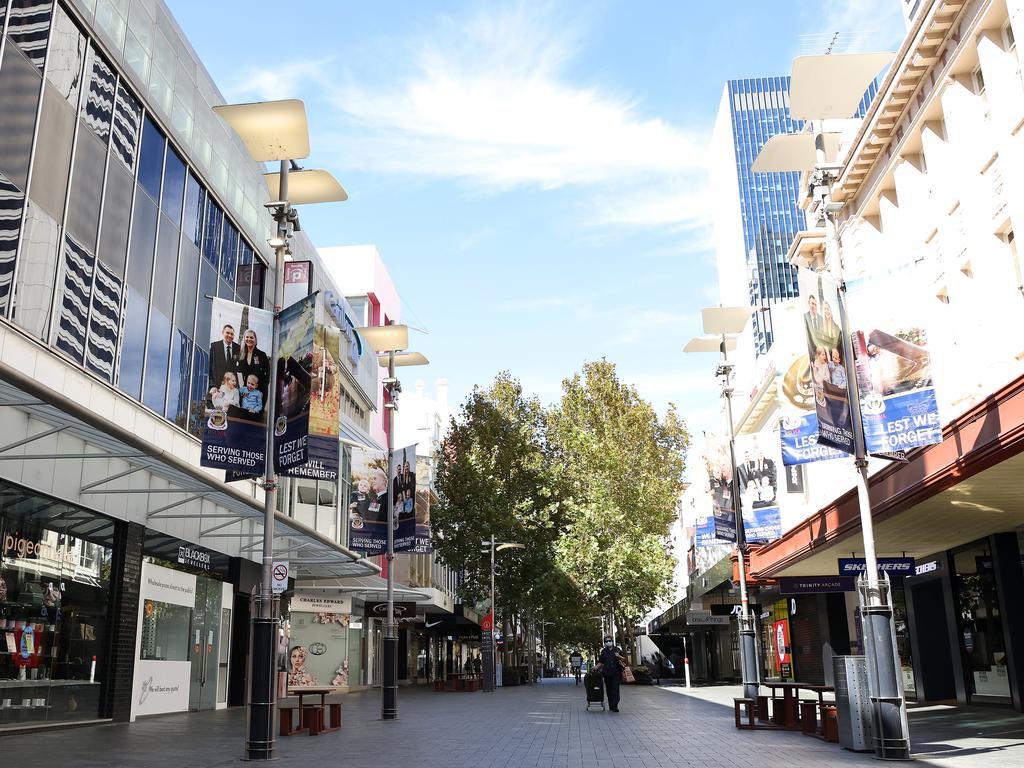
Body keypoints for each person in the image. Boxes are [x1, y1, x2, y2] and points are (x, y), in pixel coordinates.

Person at [234, 329, 270, 417]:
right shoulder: (241, 355)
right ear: (244, 339)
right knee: (244, 415)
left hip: (260, 391)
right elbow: (236, 370)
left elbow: (267, 374)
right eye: (247, 337)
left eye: (251, 337)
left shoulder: (262, 355)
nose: (249, 339)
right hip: (247, 390)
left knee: (257, 416)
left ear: (255, 340)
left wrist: (261, 390)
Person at [597, 636, 627, 712]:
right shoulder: (603, 651)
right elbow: (601, 662)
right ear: (604, 643)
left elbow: (625, 660)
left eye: (609, 641)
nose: (608, 642)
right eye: (606, 641)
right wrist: (595, 667)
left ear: (612, 641)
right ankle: (611, 705)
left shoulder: (618, 650)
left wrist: (619, 656)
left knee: (615, 689)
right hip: (606, 673)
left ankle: (615, 705)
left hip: (616, 673)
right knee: (609, 690)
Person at [209, 324, 240, 395]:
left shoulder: (238, 348)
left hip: (232, 387)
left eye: (232, 334)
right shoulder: (215, 346)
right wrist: (212, 385)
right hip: (218, 387)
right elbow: (210, 368)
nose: (230, 335)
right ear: (223, 333)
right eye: (227, 333)